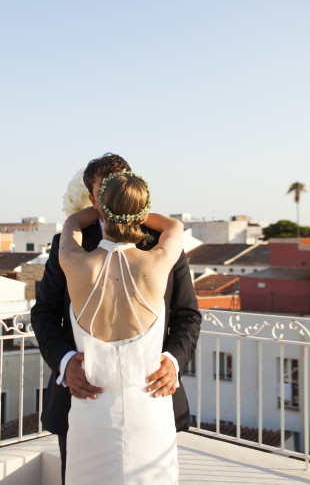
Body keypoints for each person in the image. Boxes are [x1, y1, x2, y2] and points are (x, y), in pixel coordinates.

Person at [31, 154, 201, 484]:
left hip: (151, 393)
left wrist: (173, 361)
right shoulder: (164, 248)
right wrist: (65, 363)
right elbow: (43, 313)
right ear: (90, 197)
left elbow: (188, 314)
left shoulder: (73, 248)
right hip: (80, 395)